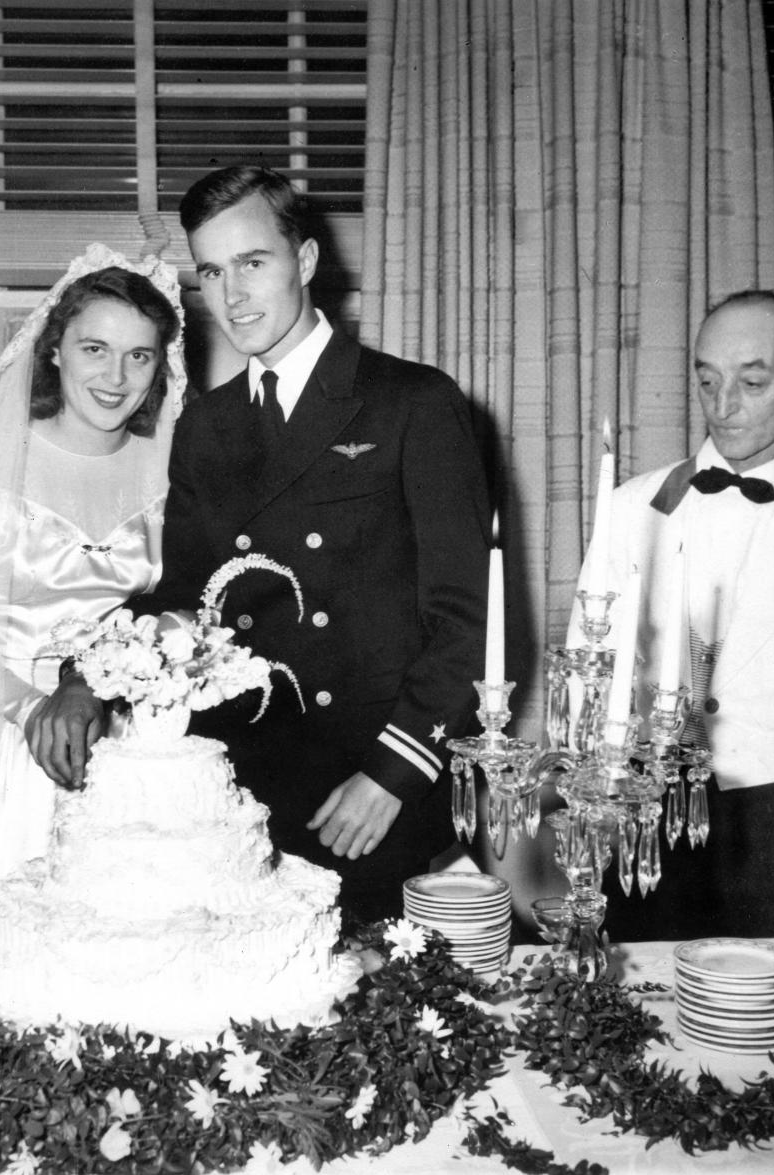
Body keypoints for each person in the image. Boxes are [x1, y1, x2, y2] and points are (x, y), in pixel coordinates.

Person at [31, 166, 493, 924]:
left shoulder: (413, 402)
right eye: (212, 271)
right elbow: (182, 596)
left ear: (305, 262)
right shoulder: (206, 426)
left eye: (253, 263)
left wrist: (394, 772)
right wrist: (85, 675)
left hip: (369, 788)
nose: (232, 294)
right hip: (240, 793)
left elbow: (468, 622)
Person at [0, 245, 186, 930]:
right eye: (95, 348)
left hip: (141, 754)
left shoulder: (171, 474)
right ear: (54, 350)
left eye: (139, 355)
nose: (116, 375)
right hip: (15, 751)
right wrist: (31, 709)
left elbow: (184, 608)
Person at [573, 289, 774, 941]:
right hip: (648, 811)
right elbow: (585, 669)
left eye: (752, 381)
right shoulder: (630, 507)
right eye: (707, 379)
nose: (723, 404)